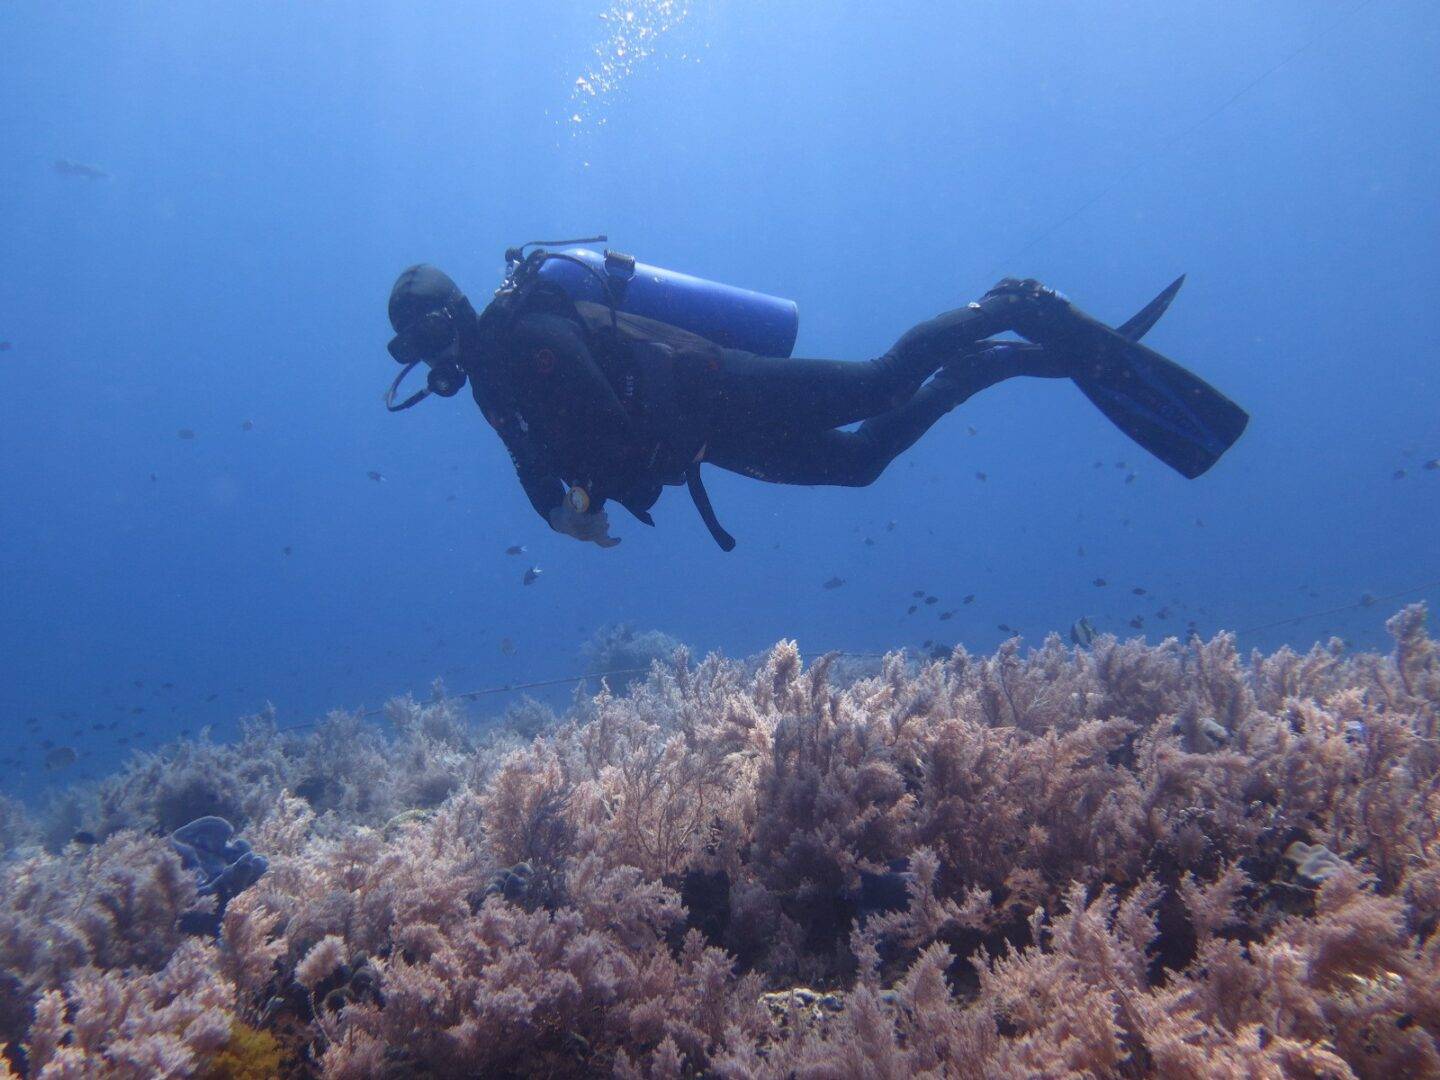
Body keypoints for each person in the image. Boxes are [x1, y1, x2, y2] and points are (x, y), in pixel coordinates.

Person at [384, 253, 1247, 550]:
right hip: (704, 442)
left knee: (879, 383)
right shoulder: (494, 387)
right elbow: (530, 463)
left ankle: (1007, 305)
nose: (423, 359)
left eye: (422, 337)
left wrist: (600, 488)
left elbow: (604, 419)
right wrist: (559, 513)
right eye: (410, 349)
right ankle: (994, 365)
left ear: (449, 317)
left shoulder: (528, 333)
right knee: (863, 464)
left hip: (715, 389)